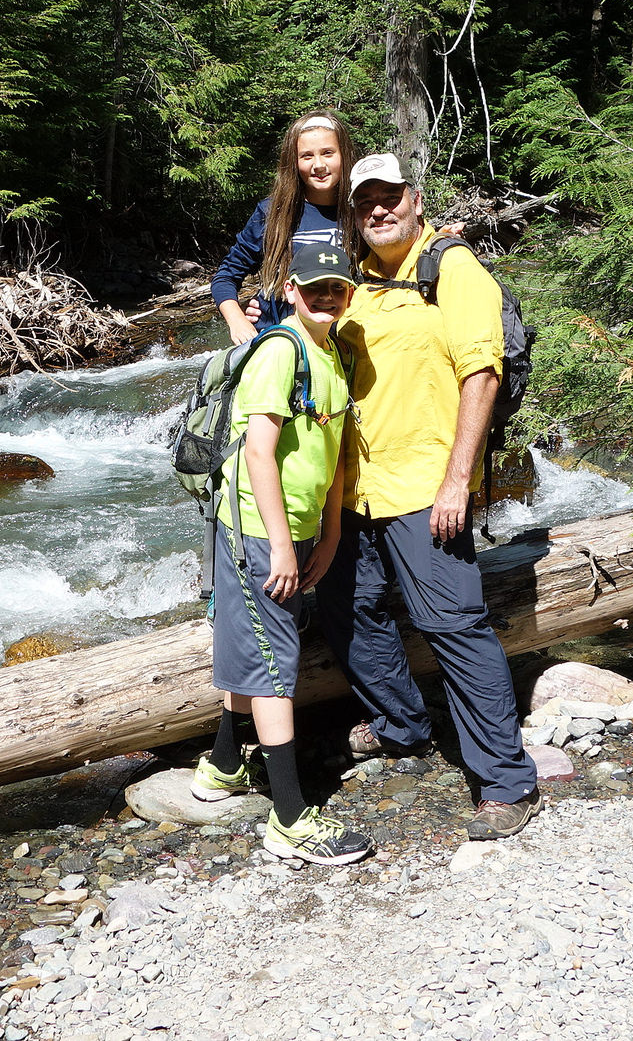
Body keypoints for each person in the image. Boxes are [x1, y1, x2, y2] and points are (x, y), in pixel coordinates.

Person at [319, 152, 542, 842]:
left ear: (415, 201)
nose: (379, 210)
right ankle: (402, 725)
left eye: (390, 197)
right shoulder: (361, 285)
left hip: (426, 489)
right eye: (366, 203)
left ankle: (507, 782)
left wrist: (457, 479)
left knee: (453, 625)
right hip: (358, 491)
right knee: (345, 606)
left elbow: (483, 372)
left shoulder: (452, 268)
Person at [190, 244, 374, 866]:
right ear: (291, 289)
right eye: (315, 288)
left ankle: (222, 767)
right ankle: (290, 818)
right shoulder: (280, 349)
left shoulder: (332, 357)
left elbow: (331, 460)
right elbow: (258, 455)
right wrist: (279, 547)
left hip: (294, 530)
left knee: (254, 646)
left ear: (349, 294)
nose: (327, 298)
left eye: (338, 289)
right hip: (256, 531)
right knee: (275, 663)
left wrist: (326, 536)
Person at [211, 111, 359, 345]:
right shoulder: (272, 214)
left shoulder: (361, 213)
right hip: (277, 343)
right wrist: (238, 321)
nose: (318, 165)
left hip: (338, 347)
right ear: (294, 162)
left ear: (344, 155)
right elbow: (226, 276)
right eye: (306, 156)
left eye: (328, 153)